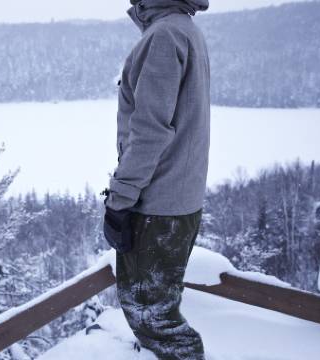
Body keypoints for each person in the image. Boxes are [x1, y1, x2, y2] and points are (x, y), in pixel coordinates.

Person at [102, 0, 210, 359]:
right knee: (157, 309)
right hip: (178, 200)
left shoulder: (164, 36)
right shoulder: (184, 30)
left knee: (153, 317)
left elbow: (150, 132)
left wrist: (119, 200)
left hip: (157, 205)